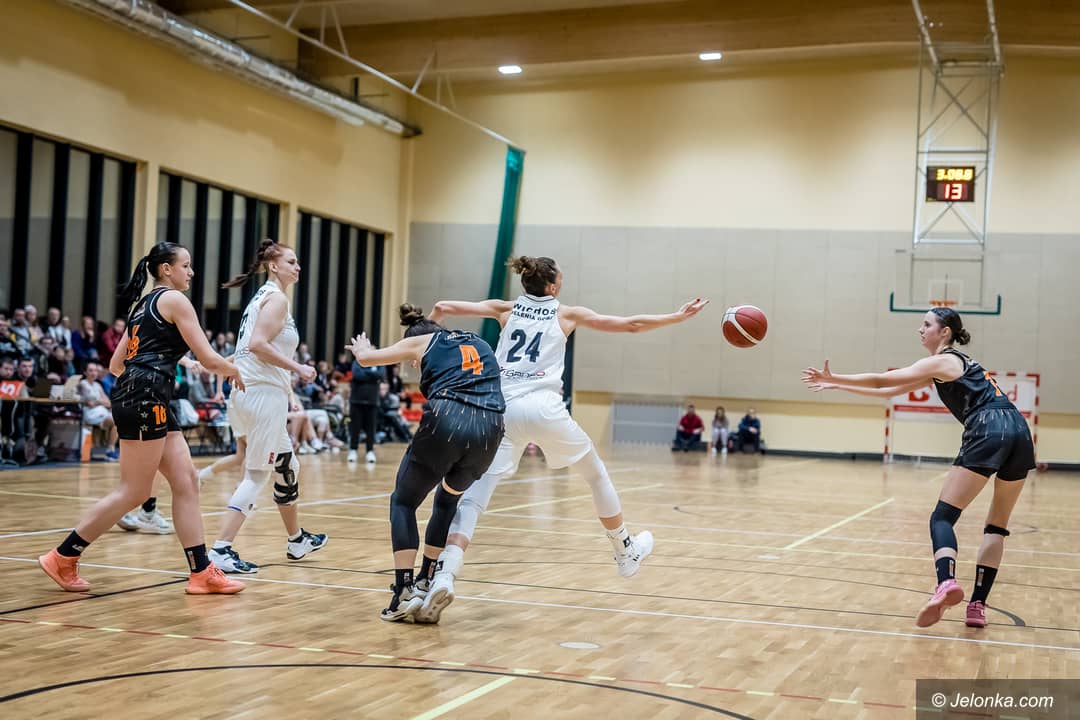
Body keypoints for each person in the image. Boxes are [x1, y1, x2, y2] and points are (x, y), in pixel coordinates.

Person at [423, 256, 709, 622]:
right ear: (553, 286)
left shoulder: (505, 308)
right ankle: (625, 551)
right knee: (595, 475)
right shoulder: (566, 313)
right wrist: (677, 317)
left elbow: (444, 306)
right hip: (544, 408)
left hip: (501, 409)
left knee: (475, 497)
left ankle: (445, 574)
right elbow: (631, 325)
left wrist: (430, 329)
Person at [803, 307, 1035, 629]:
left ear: (945, 332)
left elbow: (882, 379)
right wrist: (839, 386)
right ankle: (977, 606)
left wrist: (835, 377)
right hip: (1019, 430)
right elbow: (886, 391)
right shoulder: (949, 366)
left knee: (942, 517)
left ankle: (946, 582)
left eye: (926, 324)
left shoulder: (943, 360)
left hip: (988, 427)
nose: (920, 329)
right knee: (996, 527)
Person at [37, 241, 246, 595]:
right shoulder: (175, 300)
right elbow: (209, 359)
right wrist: (234, 369)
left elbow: (116, 365)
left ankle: (201, 572)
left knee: (186, 481)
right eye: (186, 265)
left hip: (148, 395)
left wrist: (151, 374)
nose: (191, 272)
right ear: (166, 269)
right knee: (134, 491)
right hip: (146, 397)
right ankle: (63, 556)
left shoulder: (142, 306)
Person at [346, 303, 505, 622]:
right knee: (447, 500)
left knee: (403, 501)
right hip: (491, 429)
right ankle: (426, 580)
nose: (415, 364)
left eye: (414, 362)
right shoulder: (478, 341)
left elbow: (367, 360)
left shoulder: (423, 340)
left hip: (449, 418)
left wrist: (362, 348)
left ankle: (404, 591)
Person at [207, 239, 327, 575]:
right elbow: (258, 345)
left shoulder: (262, 297)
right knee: (257, 474)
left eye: (297, 262)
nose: (297, 267)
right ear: (273, 266)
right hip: (262, 396)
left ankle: (297, 539)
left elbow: (246, 349)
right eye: (291, 261)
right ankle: (220, 550)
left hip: (253, 392)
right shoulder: (277, 299)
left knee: (288, 465)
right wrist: (298, 368)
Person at [77, 361, 119, 460]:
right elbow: (89, 404)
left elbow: (108, 402)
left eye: (95, 371)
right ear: (85, 372)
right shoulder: (82, 384)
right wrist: (100, 402)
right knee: (115, 421)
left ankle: (110, 449)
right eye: (90, 370)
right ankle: (110, 450)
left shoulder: (98, 385)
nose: (94, 373)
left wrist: (98, 402)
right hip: (89, 414)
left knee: (118, 419)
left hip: (101, 412)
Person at [348, 357, 383, 464]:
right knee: (355, 427)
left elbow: (381, 375)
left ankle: (370, 451)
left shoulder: (379, 362)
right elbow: (357, 375)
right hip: (356, 400)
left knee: (371, 429)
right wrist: (372, 373)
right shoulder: (357, 361)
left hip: (372, 401)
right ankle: (353, 450)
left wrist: (365, 371)